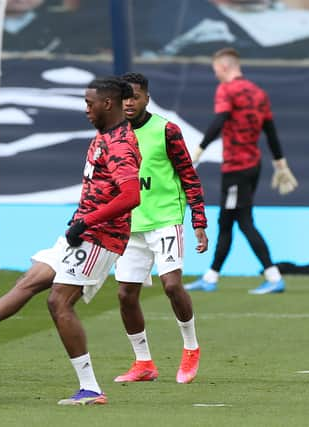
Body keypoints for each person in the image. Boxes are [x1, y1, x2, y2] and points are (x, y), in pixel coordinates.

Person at [0, 77, 141, 405]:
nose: (85, 109)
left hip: (100, 238)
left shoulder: (121, 143)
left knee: (59, 302)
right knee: (28, 281)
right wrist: (80, 223)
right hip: (81, 232)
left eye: (89, 103)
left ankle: (91, 388)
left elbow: (131, 195)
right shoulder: (104, 136)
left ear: (107, 104)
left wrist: (86, 221)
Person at [112, 72, 208, 385]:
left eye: (134, 96)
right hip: (130, 225)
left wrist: (199, 223)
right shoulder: (113, 134)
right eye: (124, 96)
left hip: (165, 219)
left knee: (171, 285)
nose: (129, 102)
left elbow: (189, 176)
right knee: (126, 294)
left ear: (146, 98)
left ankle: (191, 348)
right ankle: (143, 363)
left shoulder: (166, 130)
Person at [186, 47, 298, 295]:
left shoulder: (227, 90)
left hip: (237, 167)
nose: (216, 75)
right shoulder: (259, 93)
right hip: (252, 165)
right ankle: (211, 277)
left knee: (242, 221)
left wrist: (199, 150)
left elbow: (220, 120)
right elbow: (270, 131)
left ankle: (273, 275)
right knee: (227, 220)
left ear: (224, 67)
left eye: (215, 69)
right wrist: (281, 163)